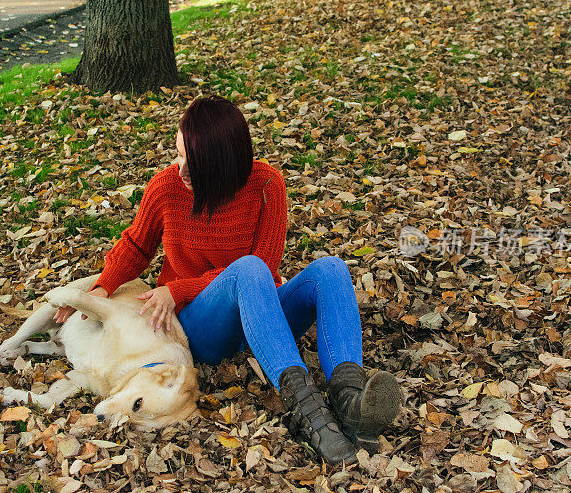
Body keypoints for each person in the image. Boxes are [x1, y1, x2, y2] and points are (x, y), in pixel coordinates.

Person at [54, 95, 401, 464]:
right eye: (179, 153)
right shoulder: (165, 187)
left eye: (193, 162)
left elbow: (265, 270)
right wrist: (102, 287)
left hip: (263, 319)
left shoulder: (266, 186)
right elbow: (137, 245)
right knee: (248, 269)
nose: (181, 169)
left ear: (223, 165)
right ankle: (308, 412)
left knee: (330, 270)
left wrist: (179, 287)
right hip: (198, 325)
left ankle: (350, 401)